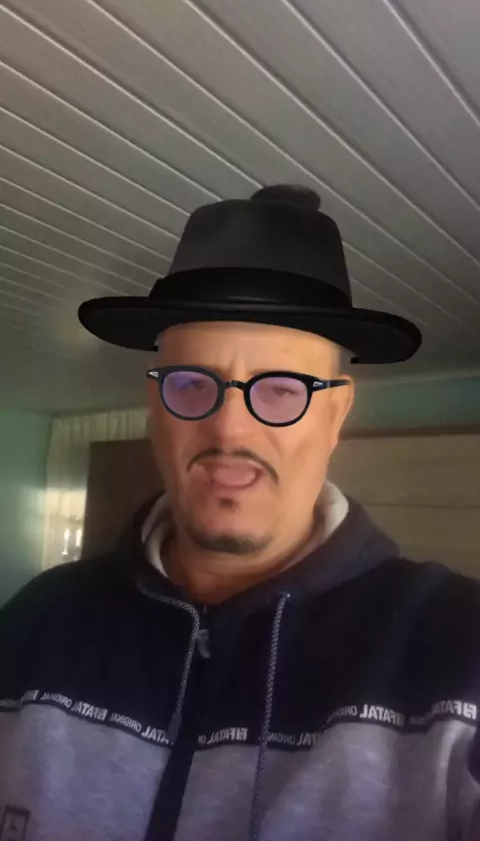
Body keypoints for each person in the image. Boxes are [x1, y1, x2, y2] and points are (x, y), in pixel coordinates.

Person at [0, 185, 478, 841]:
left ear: (336, 414)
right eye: (192, 384)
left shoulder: (457, 649)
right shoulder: (38, 619)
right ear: (155, 407)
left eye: (281, 390)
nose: (229, 429)